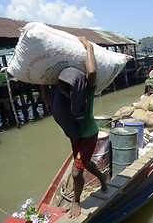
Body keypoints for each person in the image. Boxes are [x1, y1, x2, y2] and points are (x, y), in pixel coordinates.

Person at [41, 36, 107, 219]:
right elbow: (47, 101)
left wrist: (88, 47)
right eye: (64, 93)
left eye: (71, 92)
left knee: (76, 171)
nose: (68, 96)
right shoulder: (60, 95)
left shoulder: (86, 90)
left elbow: (92, 73)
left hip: (89, 134)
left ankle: (75, 201)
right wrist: (43, 82)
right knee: (83, 162)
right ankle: (101, 177)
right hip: (75, 136)